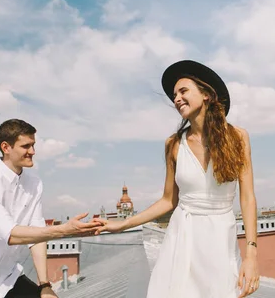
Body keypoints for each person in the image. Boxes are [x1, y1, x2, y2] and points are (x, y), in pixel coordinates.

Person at [97, 60, 260, 298]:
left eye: (183, 91)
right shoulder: (173, 144)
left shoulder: (238, 137)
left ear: (205, 94)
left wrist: (251, 255)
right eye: (174, 95)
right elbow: (167, 201)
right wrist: (123, 224)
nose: (177, 99)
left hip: (220, 238)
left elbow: (247, 198)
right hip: (182, 236)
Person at [0, 119, 103, 298]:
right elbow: (11, 235)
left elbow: (37, 235)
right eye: (26, 146)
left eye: (33, 145)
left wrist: (44, 285)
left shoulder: (34, 183)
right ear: (6, 147)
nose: (33, 152)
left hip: (8, 279)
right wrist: (64, 230)